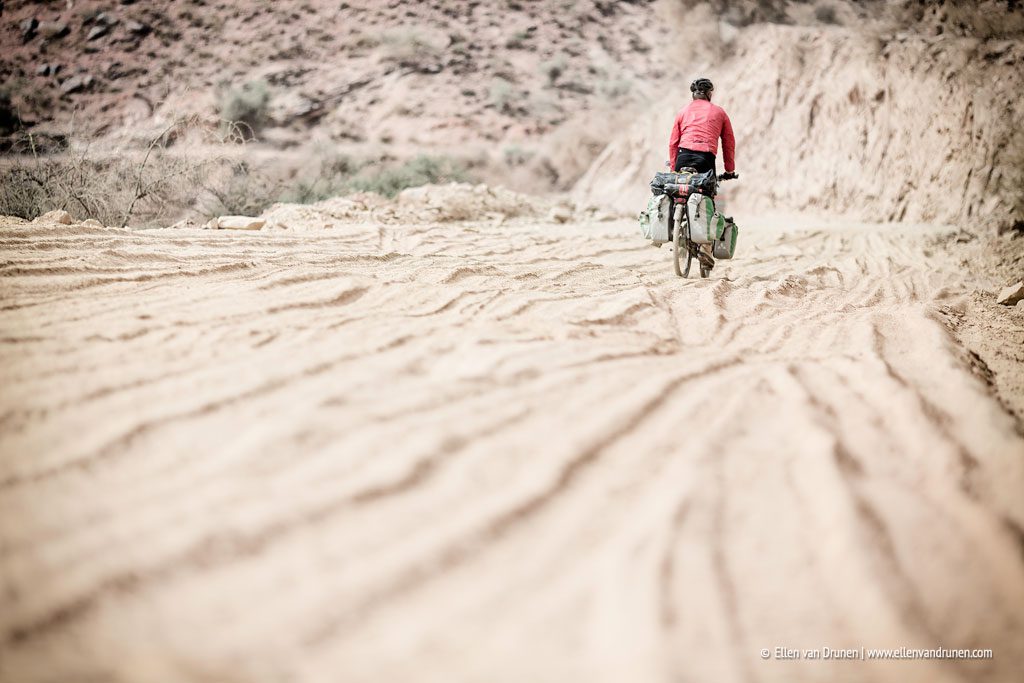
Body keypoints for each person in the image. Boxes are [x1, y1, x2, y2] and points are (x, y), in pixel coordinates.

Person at [667, 78, 735, 176]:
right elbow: (728, 142)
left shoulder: (682, 112)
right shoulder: (720, 112)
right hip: (705, 157)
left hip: (683, 156)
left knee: (678, 187)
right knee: (708, 189)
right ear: (709, 94)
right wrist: (729, 169)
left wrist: (673, 168)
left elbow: (673, 143)